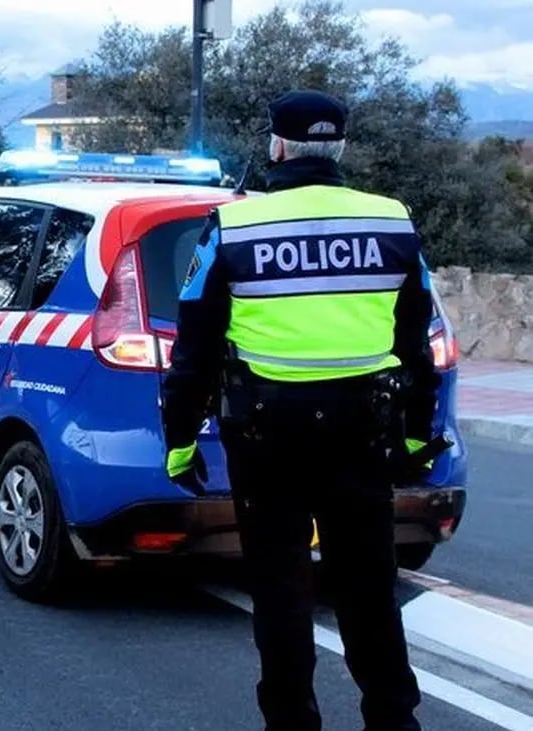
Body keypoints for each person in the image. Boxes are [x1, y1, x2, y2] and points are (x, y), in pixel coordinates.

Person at [160, 89, 444, 730]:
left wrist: (179, 440)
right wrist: (423, 436)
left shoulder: (233, 226)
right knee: (370, 587)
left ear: (277, 146)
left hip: (267, 435)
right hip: (363, 429)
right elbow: (415, 344)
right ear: (338, 148)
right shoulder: (392, 222)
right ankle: (395, 721)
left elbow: (195, 347)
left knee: (281, 590)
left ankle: (292, 722)